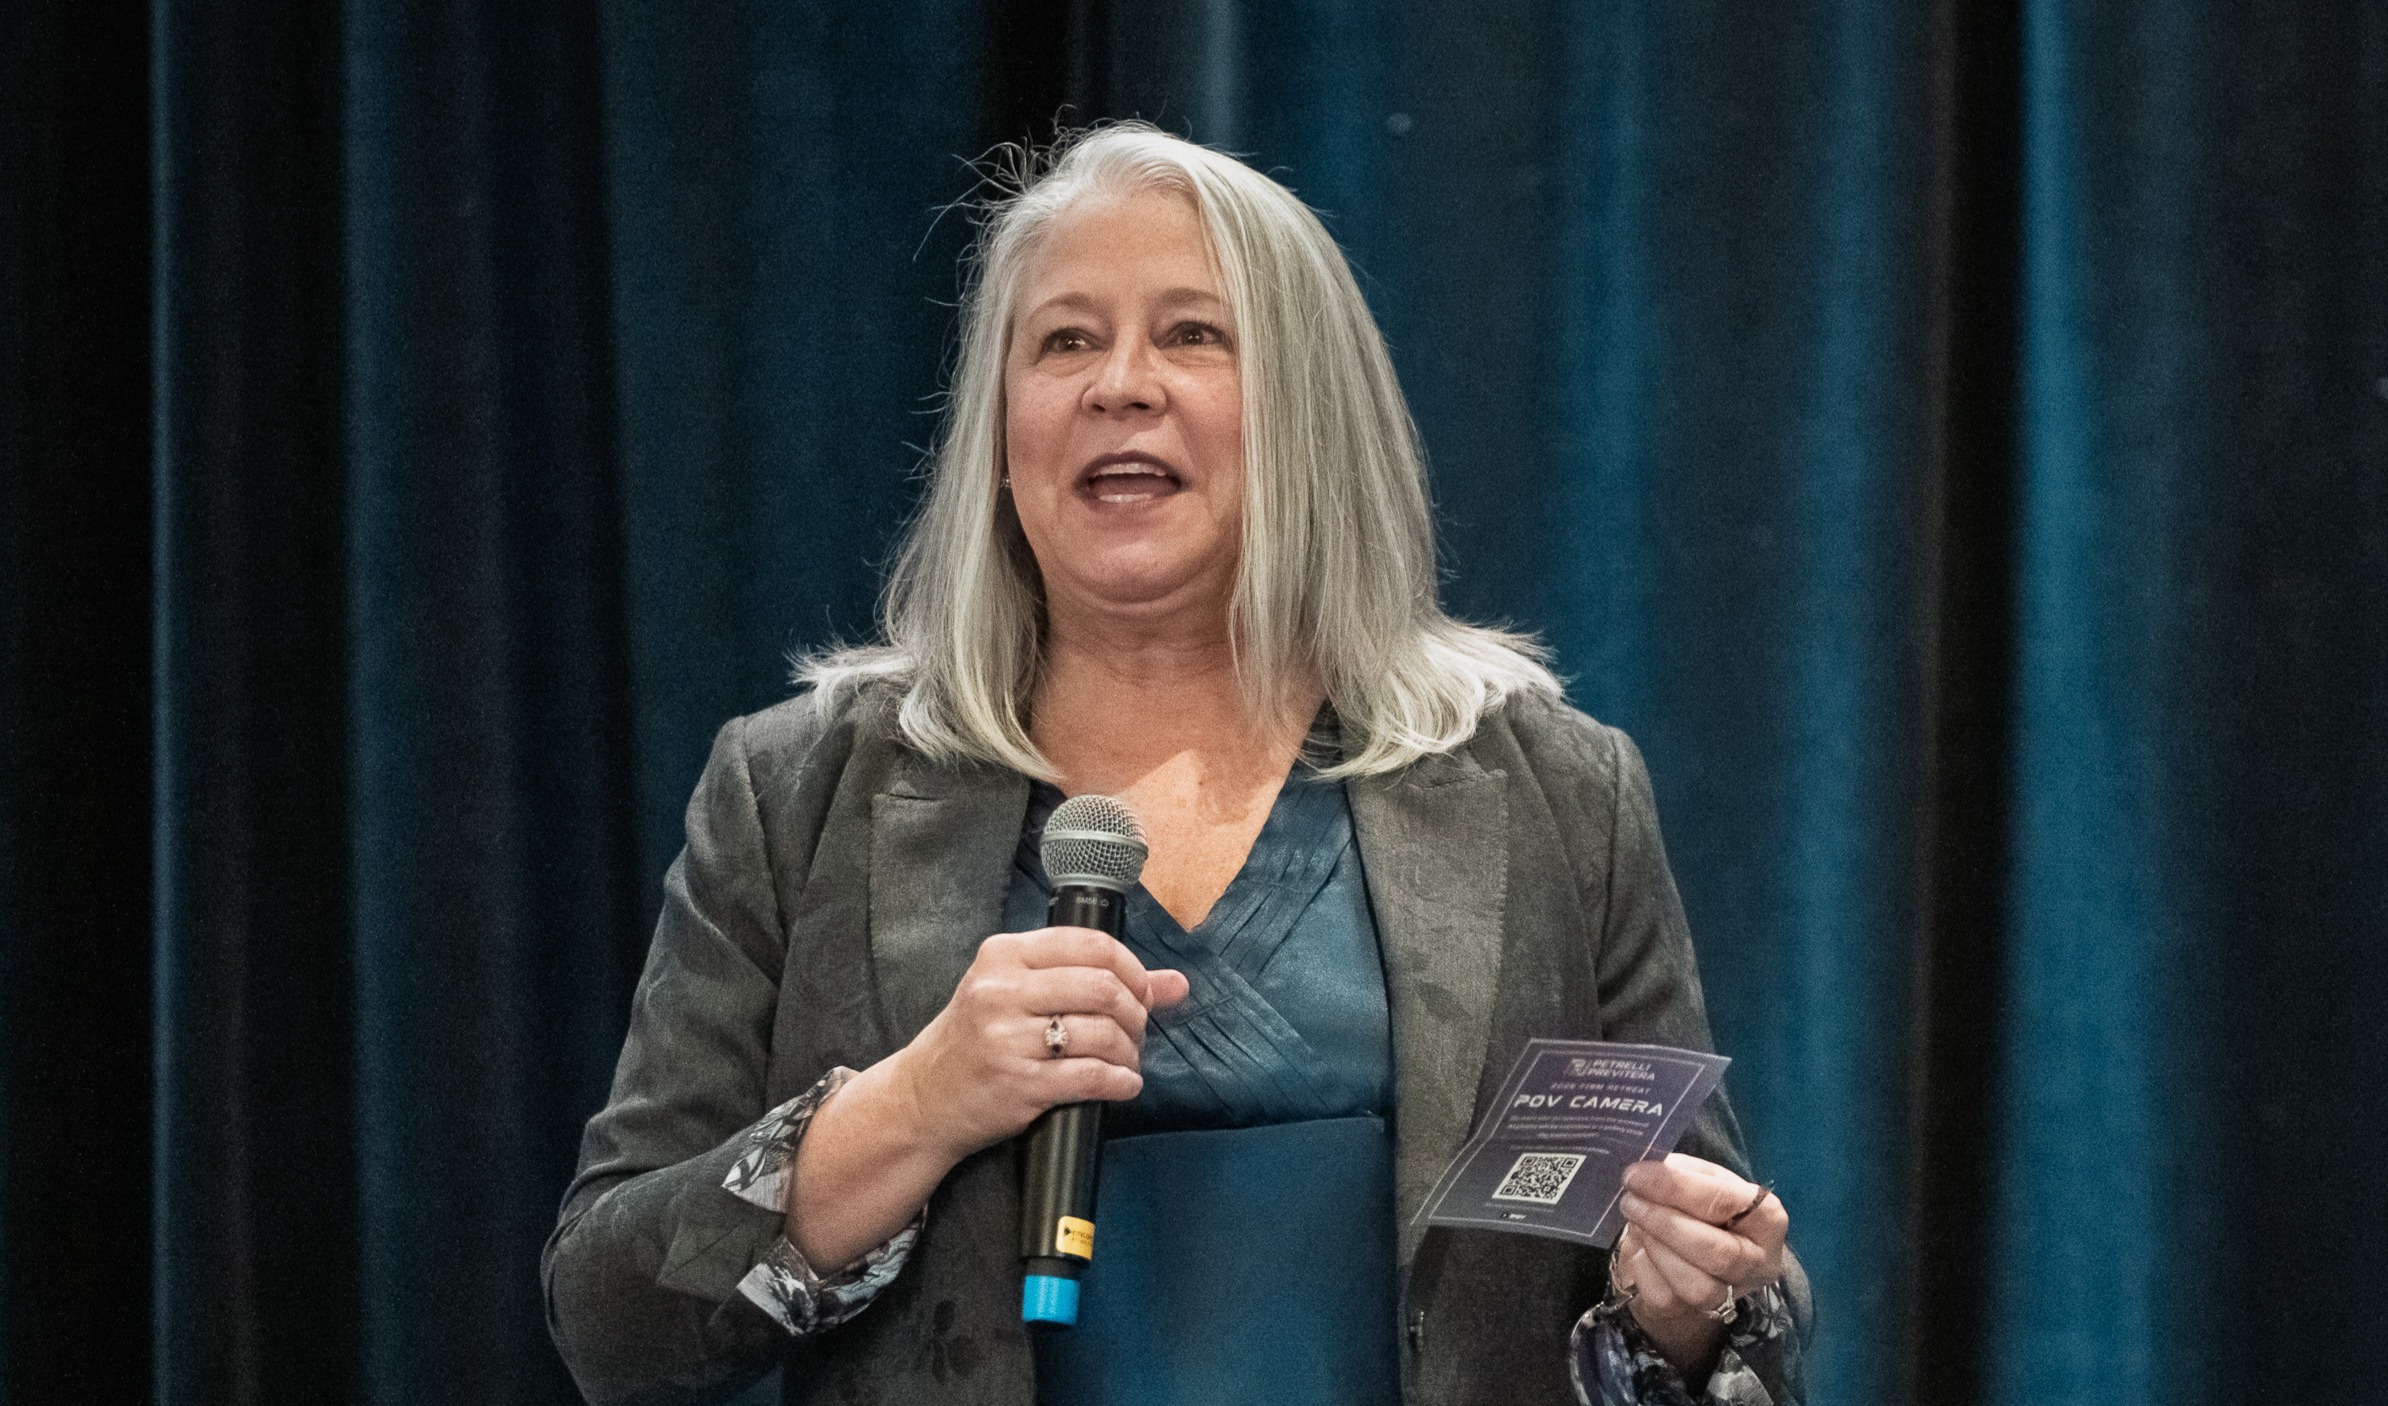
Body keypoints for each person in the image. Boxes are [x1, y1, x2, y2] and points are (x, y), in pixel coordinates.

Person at [543, 122, 1809, 1406]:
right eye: (1064, 341)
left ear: (1312, 413)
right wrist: (914, 1105)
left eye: (1193, 334)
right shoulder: (800, 789)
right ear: (998, 430)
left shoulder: (1552, 788)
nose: (1120, 385)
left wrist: (1698, 1302)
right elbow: (611, 1321)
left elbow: (1731, 1294)